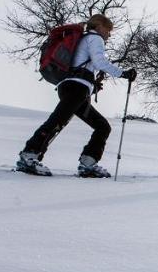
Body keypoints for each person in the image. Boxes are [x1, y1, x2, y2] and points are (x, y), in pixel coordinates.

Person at [16, 13, 137, 177]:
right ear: (100, 26)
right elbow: (100, 62)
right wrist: (123, 74)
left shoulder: (83, 39)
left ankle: (88, 163)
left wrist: (92, 85)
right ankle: (29, 156)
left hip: (72, 86)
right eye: (108, 30)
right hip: (76, 88)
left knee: (102, 126)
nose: (109, 35)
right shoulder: (95, 39)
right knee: (57, 121)